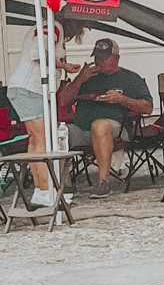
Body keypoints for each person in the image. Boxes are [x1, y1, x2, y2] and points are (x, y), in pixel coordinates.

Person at [58, 36, 153, 193]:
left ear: (116, 58)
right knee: (57, 134)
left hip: (115, 128)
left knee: (100, 125)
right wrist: (79, 79)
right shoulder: (87, 77)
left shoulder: (130, 78)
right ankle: (64, 185)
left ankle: (104, 182)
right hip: (82, 128)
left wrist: (122, 99)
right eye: (97, 57)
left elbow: (148, 107)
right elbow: (62, 100)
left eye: (104, 58)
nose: (99, 61)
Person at [6, 15, 69, 209]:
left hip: (25, 89)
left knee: (35, 140)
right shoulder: (52, 26)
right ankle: (45, 191)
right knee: (42, 139)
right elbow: (37, 53)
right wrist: (63, 65)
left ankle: (41, 190)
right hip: (29, 89)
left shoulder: (49, 27)